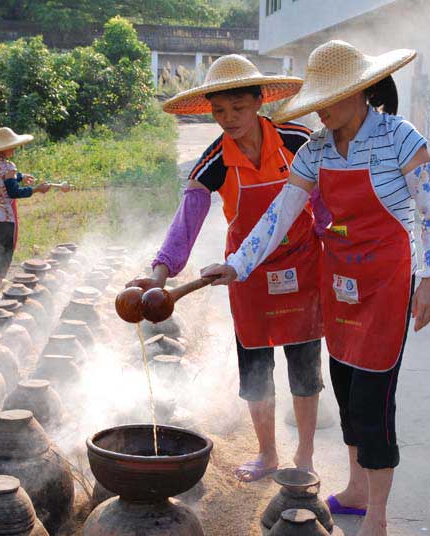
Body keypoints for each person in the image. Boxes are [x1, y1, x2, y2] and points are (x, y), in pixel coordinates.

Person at [202, 41, 430, 535]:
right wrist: (238, 264)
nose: (320, 109)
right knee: (343, 387)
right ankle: (357, 489)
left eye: (331, 97)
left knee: (374, 395)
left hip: (386, 283)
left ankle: (377, 515)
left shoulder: (401, 139)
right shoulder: (317, 149)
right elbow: (281, 212)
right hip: (337, 282)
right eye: (316, 99)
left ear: (360, 91)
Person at [125, 55, 329, 482]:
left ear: (259, 102)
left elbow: (325, 202)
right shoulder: (214, 160)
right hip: (245, 274)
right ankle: (268, 454)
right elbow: (187, 220)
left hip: (303, 268)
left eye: (238, 108)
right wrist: (160, 274)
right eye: (219, 111)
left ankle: (305, 456)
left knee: (305, 368)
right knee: (256, 371)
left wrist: (339, 247)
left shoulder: (297, 140)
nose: (229, 119)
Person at [0, 127, 59, 303]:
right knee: (6, 252)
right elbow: (13, 192)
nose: (14, 149)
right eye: (12, 146)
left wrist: (20, 176)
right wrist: (36, 189)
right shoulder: (8, 166)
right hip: (3, 217)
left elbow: (2, 178)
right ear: (4, 148)